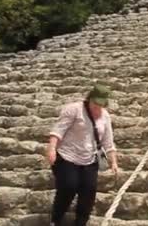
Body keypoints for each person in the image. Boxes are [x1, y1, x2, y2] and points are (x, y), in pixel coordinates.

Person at [47, 84, 118, 226]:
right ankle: (56, 220)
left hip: (90, 160)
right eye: (95, 104)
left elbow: (108, 142)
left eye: (101, 105)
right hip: (67, 156)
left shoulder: (105, 116)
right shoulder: (74, 109)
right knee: (68, 187)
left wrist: (113, 162)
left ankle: (80, 223)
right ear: (89, 99)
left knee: (89, 192)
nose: (97, 107)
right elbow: (58, 130)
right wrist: (52, 149)